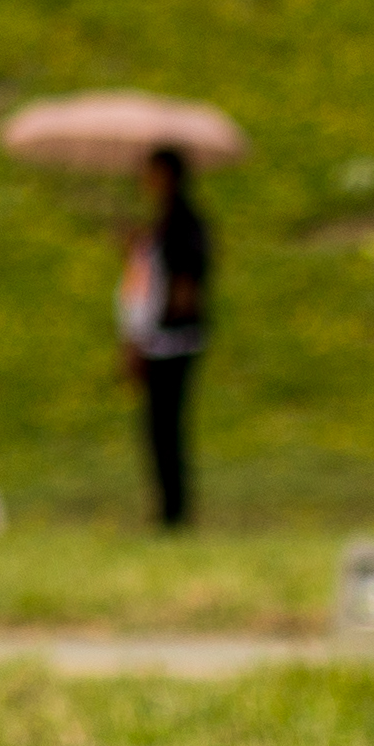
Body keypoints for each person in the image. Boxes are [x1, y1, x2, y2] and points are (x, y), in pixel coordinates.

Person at [125, 147, 214, 531]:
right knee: (159, 426)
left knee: (166, 425)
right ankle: (168, 509)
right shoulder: (165, 222)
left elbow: (184, 282)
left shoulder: (184, 222)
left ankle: (174, 513)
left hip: (173, 339)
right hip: (163, 336)